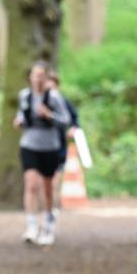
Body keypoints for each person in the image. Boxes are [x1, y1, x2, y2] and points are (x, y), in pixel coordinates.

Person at [13, 61, 71, 246]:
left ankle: (48, 224)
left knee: (47, 188)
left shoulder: (53, 97)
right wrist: (19, 121)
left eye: (40, 75)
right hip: (29, 144)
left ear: (46, 78)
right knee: (30, 185)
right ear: (30, 77)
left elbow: (66, 120)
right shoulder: (25, 95)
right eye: (34, 75)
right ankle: (31, 226)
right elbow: (22, 114)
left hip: (49, 147)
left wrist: (49, 116)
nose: (37, 79)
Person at [46, 69, 79, 217]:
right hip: (42, 146)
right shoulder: (38, 102)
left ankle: (54, 206)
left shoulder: (63, 102)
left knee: (55, 180)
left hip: (59, 146)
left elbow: (74, 119)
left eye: (53, 87)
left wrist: (73, 129)